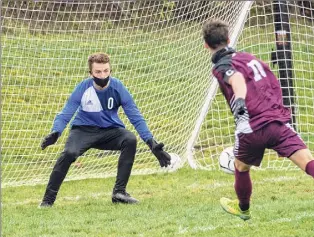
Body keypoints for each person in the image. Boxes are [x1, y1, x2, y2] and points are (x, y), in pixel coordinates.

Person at [202, 19, 314, 220]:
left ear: (206, 45)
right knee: (307, 161)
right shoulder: (250, 58)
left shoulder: (222, 65)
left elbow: (236, 80)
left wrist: (241, 101)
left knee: (241, 167)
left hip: (251, 126)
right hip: (277, 123)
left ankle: (243, 208)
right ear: (228, 39)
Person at [39, 52, 171, 207]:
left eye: (106, 71)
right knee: (69, 153)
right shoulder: (83, 88)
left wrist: (151, 142)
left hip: (110, 131)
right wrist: (56, 132)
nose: (102, 75)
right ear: (91, 73)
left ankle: (119, 193)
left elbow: (135, 116)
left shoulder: (118, 87)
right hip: (83, 130)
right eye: (98, 72)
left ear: (110, 70)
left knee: (129, 139)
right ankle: (47, 201)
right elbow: (66, 113)